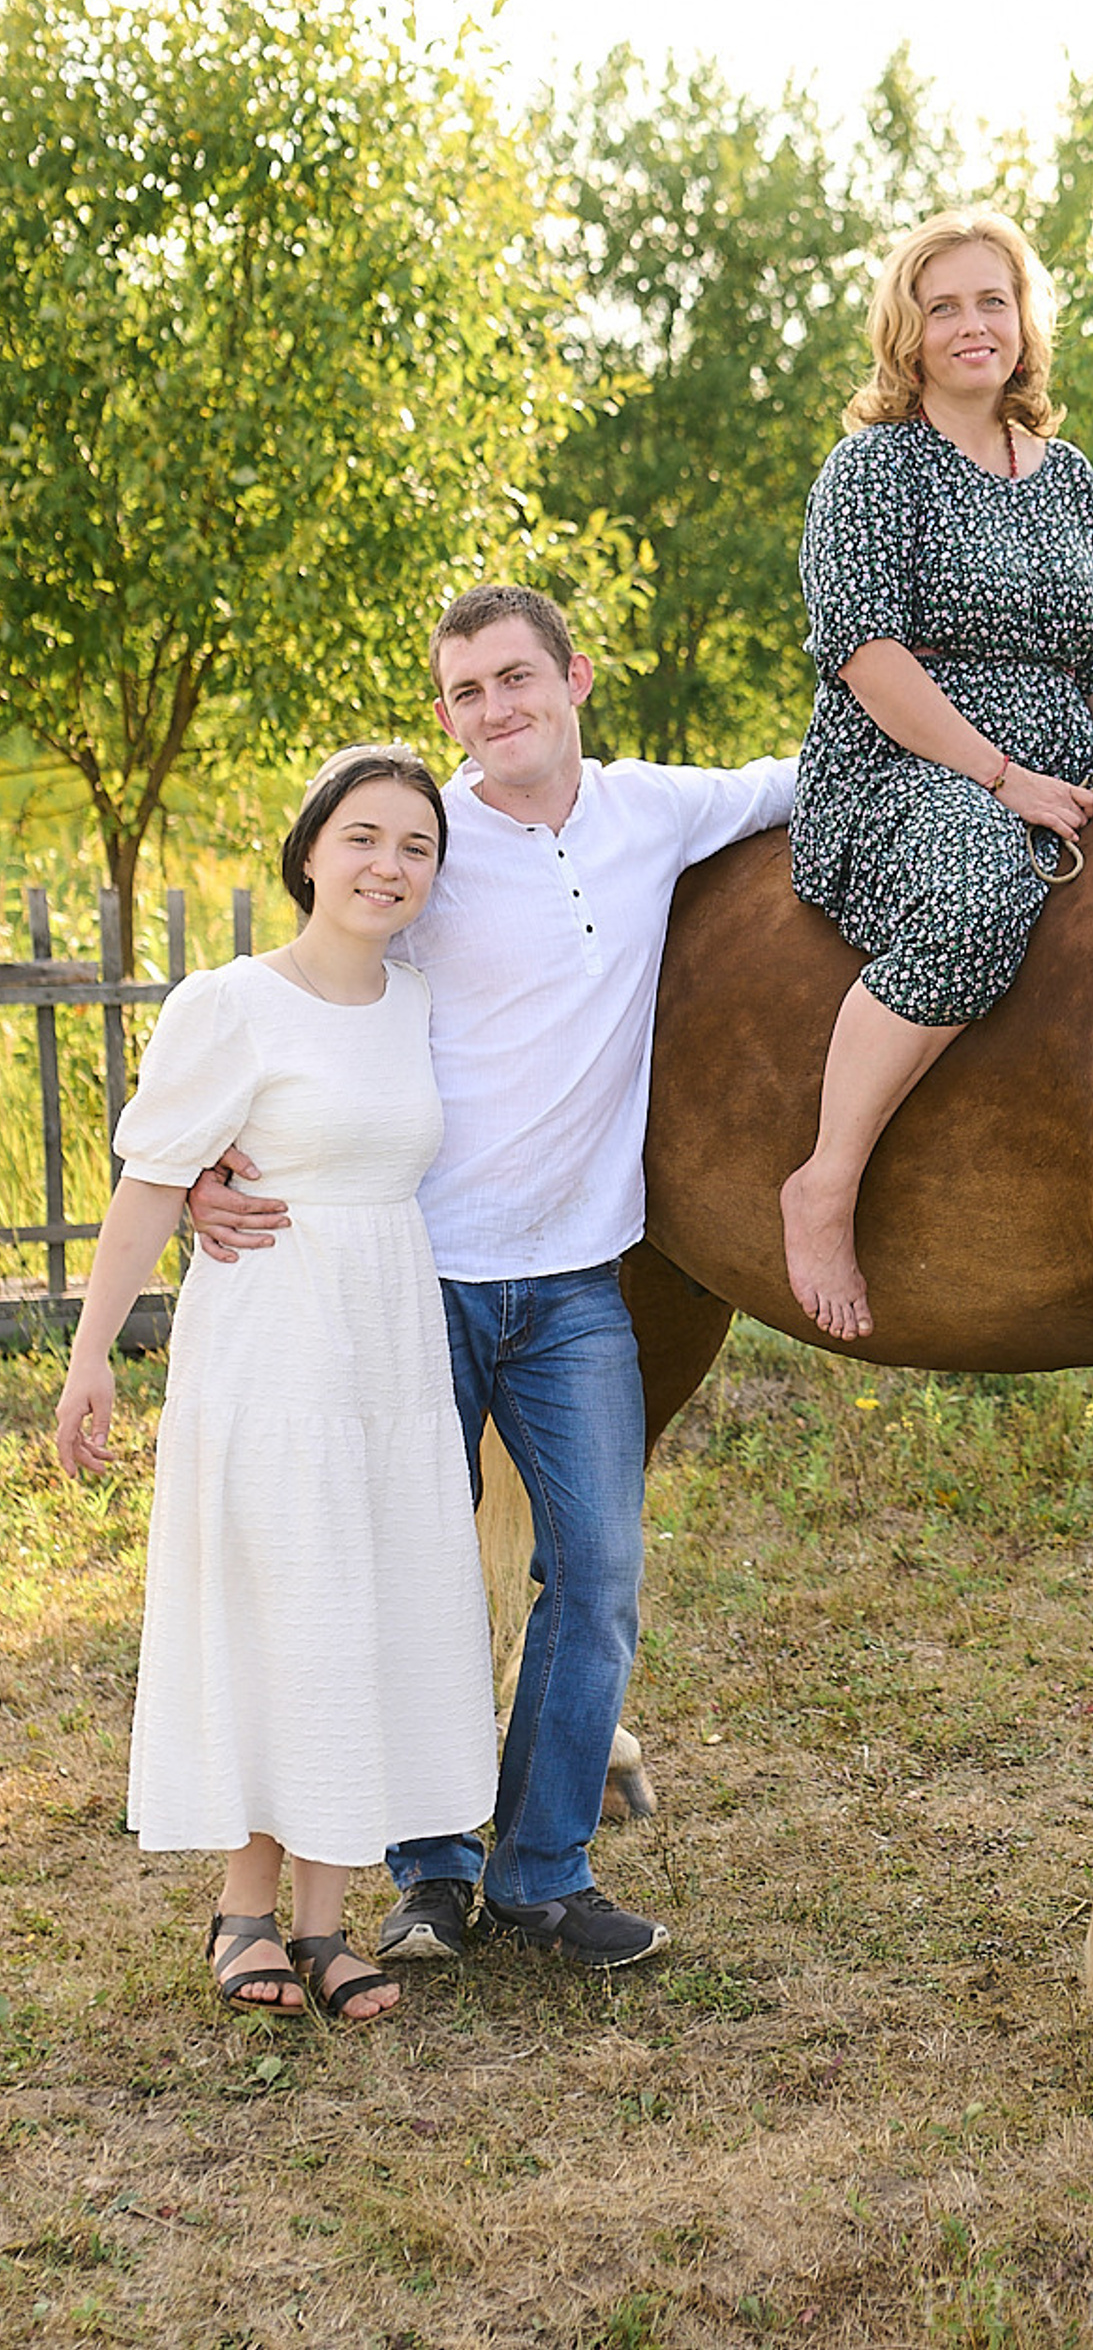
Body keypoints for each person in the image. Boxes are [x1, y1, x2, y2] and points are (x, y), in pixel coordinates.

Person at [190, 587, 795, 1971]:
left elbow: (796, 776)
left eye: (515, 678)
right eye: (465, 692)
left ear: (574, 678)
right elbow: (305, 989)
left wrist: (999, 741)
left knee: (599, 1574)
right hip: (420, 1278)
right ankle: (428, 1873)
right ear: (446, 713)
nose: (493, 709)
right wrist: (211, 1154)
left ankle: (542, 1872)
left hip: (579, 1283)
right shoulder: (431, 849)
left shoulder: (655, 810)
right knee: (419, 1574)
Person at [56, 746, 498, 2023]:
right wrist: (92, 1354)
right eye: (363, 837)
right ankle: (242, 1912)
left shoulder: (419, 1003)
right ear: (310, 852)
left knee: (364, 1609)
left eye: (416, 847)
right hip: (272, 1343)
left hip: (387, 1351)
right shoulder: (232, 1002)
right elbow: (152, 1178)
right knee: (282, 1605)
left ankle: (322, 1923)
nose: (388, 866)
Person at [778, 208, 1093, 1343]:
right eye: (941, 306)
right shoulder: (873, 468)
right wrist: (1003, 778)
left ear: (1024, 321)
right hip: (905, 772)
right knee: (982, 886)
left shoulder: (1070, 476)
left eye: (992, 300)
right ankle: (827, 1180)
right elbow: (866, 652)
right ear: (908, 332)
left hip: (1069, 769)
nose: (970, 324)